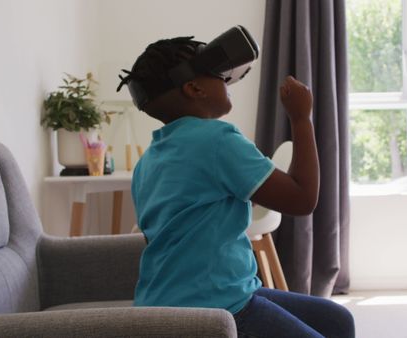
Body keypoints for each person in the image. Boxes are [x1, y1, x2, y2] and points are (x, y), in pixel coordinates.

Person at [117, 34, 354, 338]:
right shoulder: (217, 139)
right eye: (219, 76)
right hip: (217, 307)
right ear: (195, 88)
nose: (227, 80)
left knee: (336, 320)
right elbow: (303, 199)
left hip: (161, 305)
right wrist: (300, 118)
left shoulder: (147, 161)